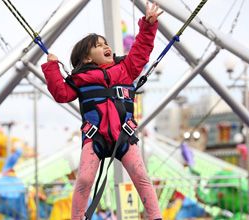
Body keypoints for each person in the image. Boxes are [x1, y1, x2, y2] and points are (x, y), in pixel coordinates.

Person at [41, 1, 163, 219]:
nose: (106, 46)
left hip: (123, 135)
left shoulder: (126, 68)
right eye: (99, 45)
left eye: (106, 43)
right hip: (95, 137)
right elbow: (61, 93)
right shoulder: (80, 79)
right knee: (85, 180)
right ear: (87, 58)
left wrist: (148, 25)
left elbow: (141, 50)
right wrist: (52, 66)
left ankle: (156, 217)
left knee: (141, 176)